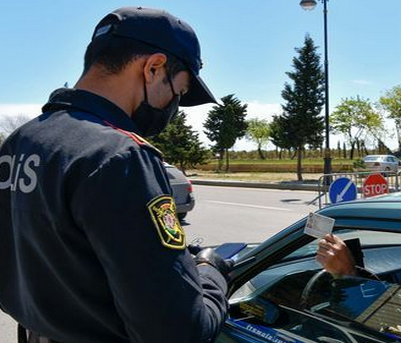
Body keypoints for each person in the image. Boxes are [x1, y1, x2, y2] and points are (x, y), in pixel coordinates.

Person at [0, 7, 230, 343]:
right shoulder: (119, 157)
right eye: (178, 92)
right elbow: (179, 332)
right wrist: (211, 274)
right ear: (153, 68)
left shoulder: (20, 141)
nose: (173, 107)